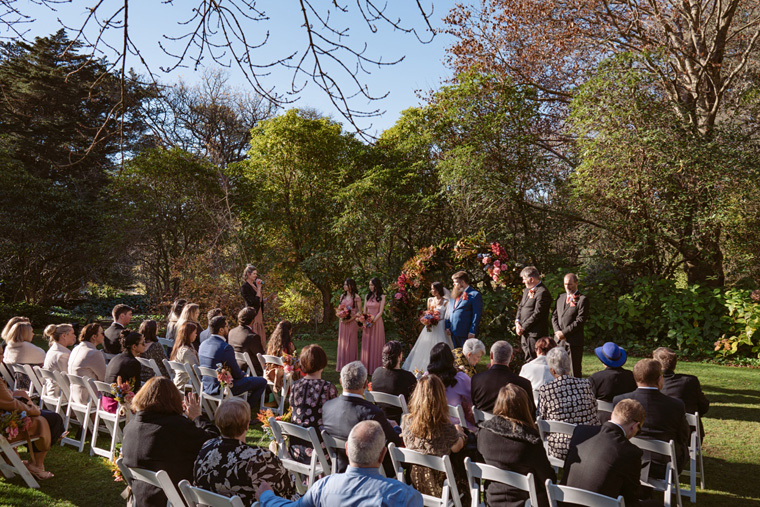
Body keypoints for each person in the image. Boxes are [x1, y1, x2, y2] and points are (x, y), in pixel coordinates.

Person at [256, 420, 423, 507]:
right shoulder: (405, 496)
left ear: (348, 450)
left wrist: (266, 497)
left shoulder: (323, 487)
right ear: (382, 455)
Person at [122, 377, 219, 507]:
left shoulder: (130, 427)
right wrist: (197, 417)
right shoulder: (175, 427)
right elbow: (213, 442)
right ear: (173, 400)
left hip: (141, 498)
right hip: (171, 499)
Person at [194, 398, 296, 505]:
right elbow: (289, 487)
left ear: (218, 424)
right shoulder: (259, 458)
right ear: (247, 426)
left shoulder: (206, 447)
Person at [563, 399, 658, 507]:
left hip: (565, 502)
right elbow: (630, 498)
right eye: (638, 430)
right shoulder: (631, 452)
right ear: (634, 426)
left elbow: (567, 467)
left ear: (613, 414)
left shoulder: (581, 431)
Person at [478, 384, 556, 507]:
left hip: (491, 499)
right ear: (525, 407)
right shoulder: (529, 442)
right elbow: (547, 479)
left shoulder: (483, 433)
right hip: (525, 502)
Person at [321, 361, 402, 474]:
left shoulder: (327, 407)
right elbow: (395, 441)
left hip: (339, 468)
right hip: (370, 471)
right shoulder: (372, 413)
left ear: (341, 381)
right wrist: (396, 428)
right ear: (365, 384)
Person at [613, 358, 690, 476]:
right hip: (665, 465)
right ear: (659, 379)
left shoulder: (620, 401)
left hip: (627, 460)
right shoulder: (676, 405)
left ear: (635, 378)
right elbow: (684, 436)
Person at [0, 343, 64, 480]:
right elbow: (10, 404)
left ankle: (36, 461)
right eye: (0, 354)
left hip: (7, 412)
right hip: (5, 420)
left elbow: (5, 398)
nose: (2, 357)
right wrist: (32, 409)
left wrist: (18, 396)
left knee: (51, 418)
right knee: (50, 420)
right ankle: (37, 464)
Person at [401, 374, 467, 500]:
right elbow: (457, 447)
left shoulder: (406, 421)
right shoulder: (446, 428)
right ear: (441, 397)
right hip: (441, 488)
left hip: (415, 482)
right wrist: (459, 432)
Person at [536, 347, 600, 461]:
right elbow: (595, 410)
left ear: (552, 370)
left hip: (561, 447)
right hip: (588, 442)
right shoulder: (585, 384)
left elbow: (541, 417)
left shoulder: (546, 390)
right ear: (569, 366)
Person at [288, 344, 338, 463]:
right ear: (322, 363)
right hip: (319, 450)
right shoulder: (327, 388)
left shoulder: (295, 386)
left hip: (295, 448)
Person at [198, 316, 267, 402]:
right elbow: (237, 374)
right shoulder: (225, 347)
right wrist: (244, 375)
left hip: (206, 385)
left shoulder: (203, 344)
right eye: (227, 326)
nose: (228, 328)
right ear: (221, 330)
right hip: (222, 387)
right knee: (262, 381)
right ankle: (246, 410)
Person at [653, 346, 709, 440]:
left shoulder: (650, 382)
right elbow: (704, 406)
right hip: (688, 436)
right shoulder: (690, 381)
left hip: (659, 435)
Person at [472, 341, 536, 417]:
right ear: (511, 358)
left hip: (483, 426)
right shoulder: (523, 383)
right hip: (513, 427)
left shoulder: (476, 379)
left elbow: (474, 405)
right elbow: (531, 414)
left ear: (491, 355)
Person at [404, 282, 452, 372]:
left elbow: (447, 316)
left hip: (440, 325)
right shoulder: (430, 300)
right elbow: (428, 312)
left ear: (438, 289)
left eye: (433, 289)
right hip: (430, 326)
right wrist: (427, 320)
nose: (432, 291)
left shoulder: (446, 302)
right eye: (431, 288)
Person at [427, 342, 476, 431]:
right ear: (450, 359)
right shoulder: (460, 378)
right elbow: (474, 401)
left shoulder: (426, 378)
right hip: (457, 429)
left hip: (431, 425)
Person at [588, 342, 637, 423]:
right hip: (626, 420)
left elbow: (588, 402)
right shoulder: (631, 376)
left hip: (600, 420)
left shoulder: (595, 378)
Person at [551, 272, 588, 377]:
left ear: (576, 283)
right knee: (558, 370)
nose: (567, 286)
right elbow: (554, 316)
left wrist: (564, 333)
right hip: (558, 340)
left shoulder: (582, 300)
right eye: (565, 284)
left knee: (574, 371)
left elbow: (580, 320)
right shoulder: (560, 297)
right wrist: (557, 332)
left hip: (574, 341)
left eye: (570, 284)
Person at [371, 340, 417, 423]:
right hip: (401, 422)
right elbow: (415, 403)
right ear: (400, 356)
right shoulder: (408, 377)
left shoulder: (376, 373)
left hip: (380, 419)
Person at [103, 331, 146, 413]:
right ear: (134, 346)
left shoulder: (116, 358)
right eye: (143, 343)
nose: (145, 345)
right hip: (119, 405)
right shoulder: (133, 363)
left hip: (105, 402)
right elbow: (137, 389)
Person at [515, 266, 552, 361]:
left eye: (524, 279)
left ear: (531, 279)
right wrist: (517, 322)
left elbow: (538, 314)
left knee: (534, 360)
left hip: (535, 334)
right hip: (524, 333)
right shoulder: (527, 290)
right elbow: (521, 306)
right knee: (527, 358)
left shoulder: (543, 292)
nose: (523, 282)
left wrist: (524, 327)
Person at [68, 323, 107, 404]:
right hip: (89, 398)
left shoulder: (76, 349)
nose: (104, 335)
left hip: (74, 394)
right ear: (94, 337)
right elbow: (104, 378)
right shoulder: (93, 353)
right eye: (102, 333)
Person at [2, 321, 45, 390]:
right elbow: (43, 358)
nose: (33, 334)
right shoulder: (28, 348)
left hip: (18, 384)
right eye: (31, 332)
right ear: (25, 334)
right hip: (33, 386)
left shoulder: (9, 347)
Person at [445, 271, 483, 349]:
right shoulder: (454, 294)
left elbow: (476, 315)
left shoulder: (474, 295)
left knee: (466, 356)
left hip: (465, 332)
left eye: (455, 282)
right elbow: (449, 311)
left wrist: (472, 331)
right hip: (453, 331)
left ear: (462, 282)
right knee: (456, 355)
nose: (453, 285)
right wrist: (447, 325)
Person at [227, 306, 265, 376]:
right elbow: (261, 357)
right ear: (253, 320)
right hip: (251, 372)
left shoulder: (231, 332)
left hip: (235, 368)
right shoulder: (252, 337)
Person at [360, 277, 386, 374]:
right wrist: (365, 321)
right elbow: (365, 310)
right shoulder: (367, 296)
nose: (370, 286)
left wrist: (373, 321)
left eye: (372, 284)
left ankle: (376, 369)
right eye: (369, 285)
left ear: (376, 285)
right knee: (367, 345)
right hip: (367, 323)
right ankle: (366, 368)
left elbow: (381, 311)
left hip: (377, 322)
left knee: (376, 344)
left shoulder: (382, 296)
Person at [41, 323, 75, 397]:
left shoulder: (52, 350)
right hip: (61, 394)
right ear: (64, 336)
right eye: (72, 333)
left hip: (50, 390)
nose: (74, 336)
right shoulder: (63, 355)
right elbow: (70, 378)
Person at [336, 278, 362, 371]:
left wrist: (350, 319)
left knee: (351, 343)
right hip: (343, 322)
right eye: (344, 284)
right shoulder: (342, 296)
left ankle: (351, 366)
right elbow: (340, 309)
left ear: (351, 285)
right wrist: (341, 316)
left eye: (346, 284)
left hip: (352, 322)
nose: (344, 286)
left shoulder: (356, 297)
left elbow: (360, 312)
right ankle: (342, 365)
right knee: (343, 343)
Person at [265, 320, 296, 391]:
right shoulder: (288, 345)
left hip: (271, 370)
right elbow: (291, 360)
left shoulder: (272, 343)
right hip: (282, 372)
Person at [169, 322, 200, 391]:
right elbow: (196, 370)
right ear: (189, 334)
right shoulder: (187, 351)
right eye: (194, 333)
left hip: (179, 382)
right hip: (187, 385)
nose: (196, 335)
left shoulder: (178, 347)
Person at [241, 264, 267, 341]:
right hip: (253, 314)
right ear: (248, 274)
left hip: (259, 314)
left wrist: (268, 299)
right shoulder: (245, 287)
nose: (256, 275)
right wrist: (259, 288)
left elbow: (259, 301)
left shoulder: (255, 285)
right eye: (254, 274)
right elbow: (254, 301)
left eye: (256, 274)